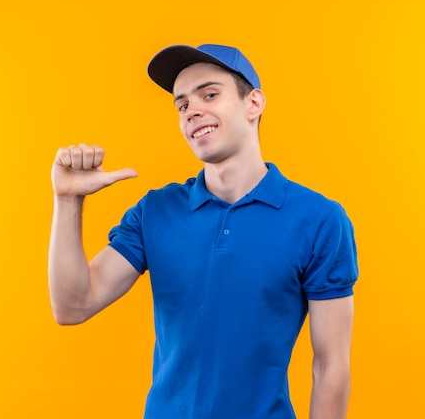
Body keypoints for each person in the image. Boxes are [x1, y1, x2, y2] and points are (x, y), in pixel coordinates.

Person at [48, 44, 359, 419]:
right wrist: (67, 201)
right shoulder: (155, 211)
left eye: (209, 94)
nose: (192, 110)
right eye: (182, 105)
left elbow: (331, 366)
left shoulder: (319, 219)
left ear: (253, 104)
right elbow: (73, 305)